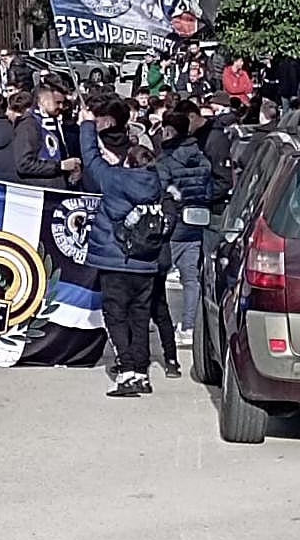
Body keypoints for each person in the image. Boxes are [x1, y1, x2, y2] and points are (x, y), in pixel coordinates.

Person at [80, 108, 162, 398]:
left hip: (116, 260)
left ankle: (126, 371)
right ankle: (141, 371)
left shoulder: (113, 180)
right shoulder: (155, 182)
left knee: (115, 316)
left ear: (127, 161)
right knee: (140, 318)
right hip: (145, 263)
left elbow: (90, 158)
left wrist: (87, 124)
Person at [156, 111, 212, 354]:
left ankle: (158, 323)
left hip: (172, 225)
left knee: (158, 276)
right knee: (191, 279)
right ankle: (189, 326)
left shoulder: (165, 161)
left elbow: (161, 191)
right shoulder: (203, 159)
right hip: (197, 223)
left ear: (169, 131)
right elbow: (209, 192)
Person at [13, 84, 81, 189]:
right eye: (57, 103)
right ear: (44, 102)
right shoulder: (29, 124)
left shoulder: (55, 122)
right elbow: (24, 164)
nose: (61, 107)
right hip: (38, 192)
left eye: (63, 103)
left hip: (57, 188)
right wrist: (60, 166)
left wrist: (71, 171)